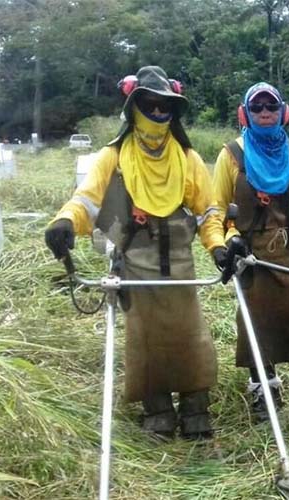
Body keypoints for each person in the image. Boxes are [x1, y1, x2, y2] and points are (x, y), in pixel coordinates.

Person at [44, 66, 222, 438]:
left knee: (190, 335)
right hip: (134, 263)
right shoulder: (114, 157)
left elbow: (209, 212)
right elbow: (88, 202)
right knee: (145, 338)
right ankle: (156, 410)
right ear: (135, 107)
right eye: (151, 105)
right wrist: (64, 221)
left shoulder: (187, 159)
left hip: (179, 263)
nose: (159, 114)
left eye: (166, 107)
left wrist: (220, 245)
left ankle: (195, 409)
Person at [211, 82, 289, 422]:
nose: (265, 113)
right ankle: (265, 395)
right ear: (245, 113)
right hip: (252, 258)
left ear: (283, 112)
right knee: (257, 328)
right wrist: (229, 241)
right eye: (258, 108)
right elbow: (218, 211)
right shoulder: (231, 155)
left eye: (271, 107)